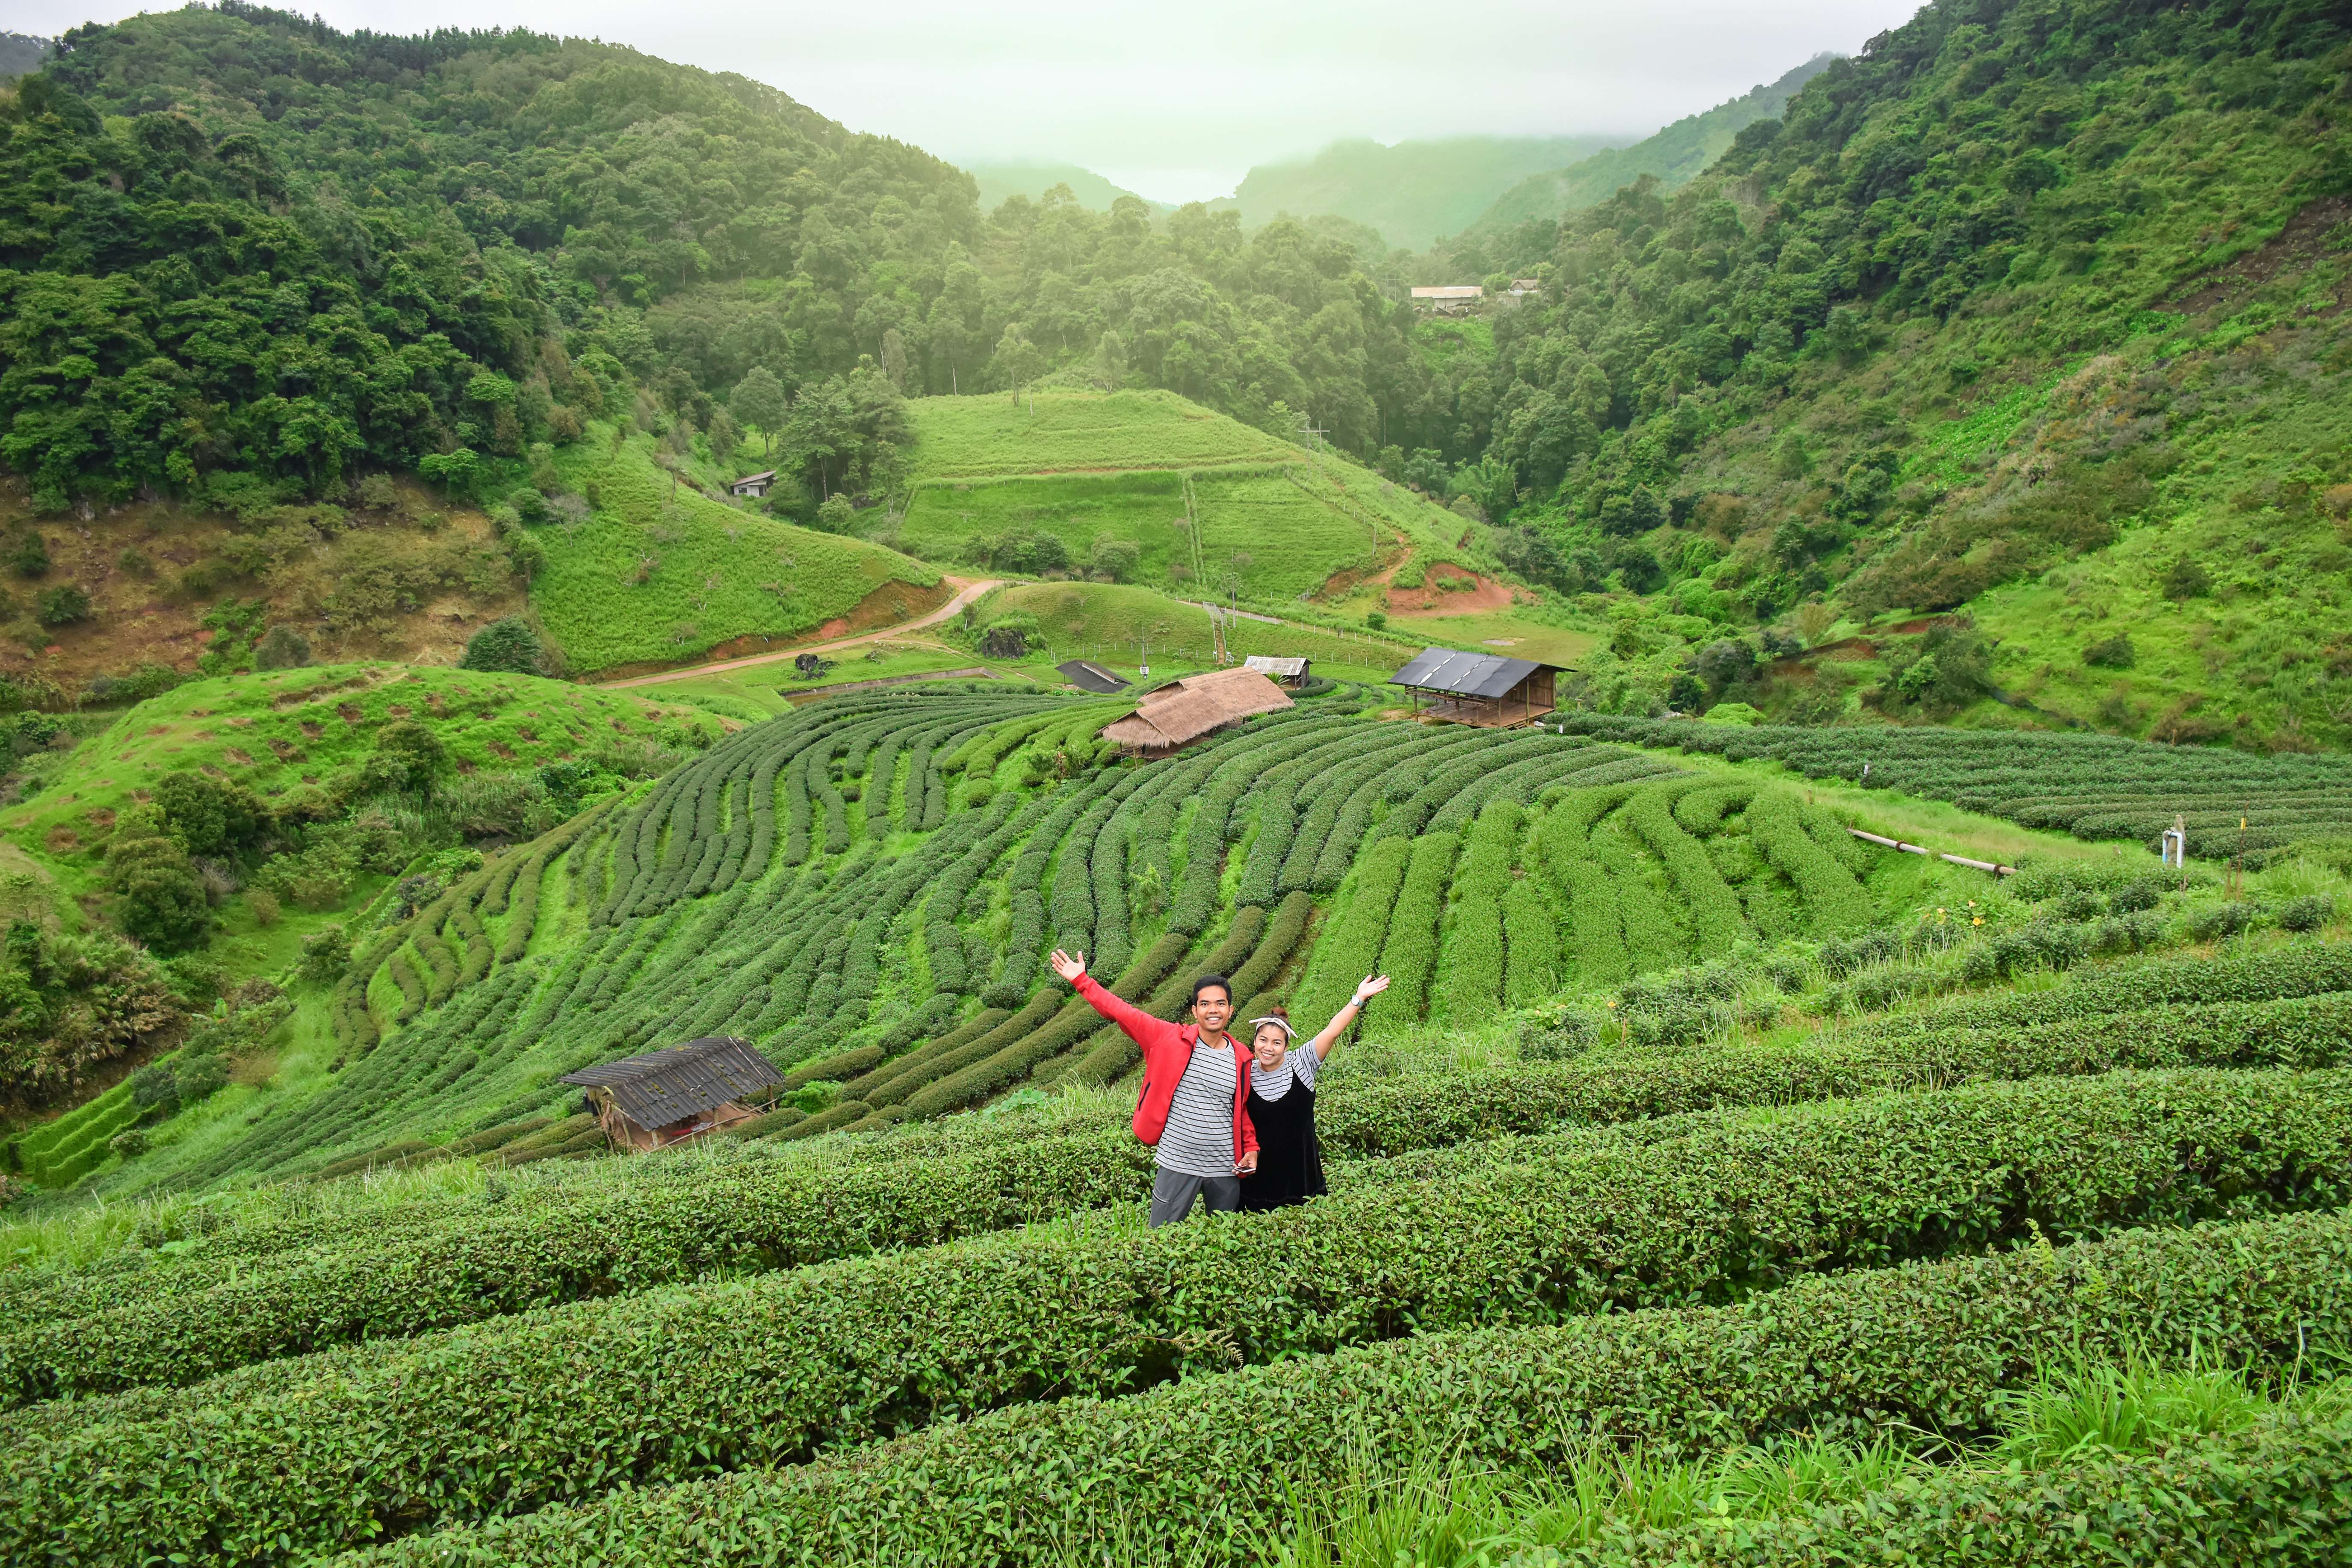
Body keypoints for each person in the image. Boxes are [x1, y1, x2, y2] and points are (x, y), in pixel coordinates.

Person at [1050, 948, 1258, 1226]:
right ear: (1195, 1010)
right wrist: (1083, 981)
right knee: (1161, 1236)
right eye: (1206, 1004)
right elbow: (1123, 1013)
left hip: (1225, 1167)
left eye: (1220, 1004)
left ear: (1231, 1010)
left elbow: (1242, 1109)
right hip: (1177, 1162)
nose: (1213, 1010)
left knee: (1224, 1239)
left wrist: (1252, 1147)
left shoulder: (1242, 1055)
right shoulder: (1168, 1038)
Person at [1239, 975, 1388, 1212]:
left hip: (1302, 1173)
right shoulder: (1245, 1071)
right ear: (1254, 1041)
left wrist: (1358, 999)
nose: (1268, 1048)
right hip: (1259, 1181)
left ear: (1286, 1046)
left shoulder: (1302, 1062)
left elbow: (1331, 1032)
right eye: (1263, 1040)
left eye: (1277, 1043)